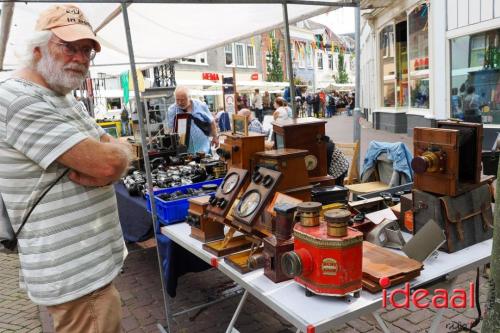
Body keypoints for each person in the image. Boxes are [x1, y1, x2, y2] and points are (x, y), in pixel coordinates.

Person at [0, 5, 131, 333]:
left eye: (87, 49)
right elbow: (109, 161)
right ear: (37, 49)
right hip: (77, 276)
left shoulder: (61, 96)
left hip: (85, 268)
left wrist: (115, 156)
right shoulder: (20, 100)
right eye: (69, 47)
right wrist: (114, 160)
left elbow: (114, 148)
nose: (81, 57)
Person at [167, 86, 219, 154]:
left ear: (189, 97)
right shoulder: (172, 110)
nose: (179, 102)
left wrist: (215, 137)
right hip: (185, 151)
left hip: (204, 148)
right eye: (177, 99)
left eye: (182, 100)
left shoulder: (200, 105)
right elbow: (171, 129)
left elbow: (211, 121)